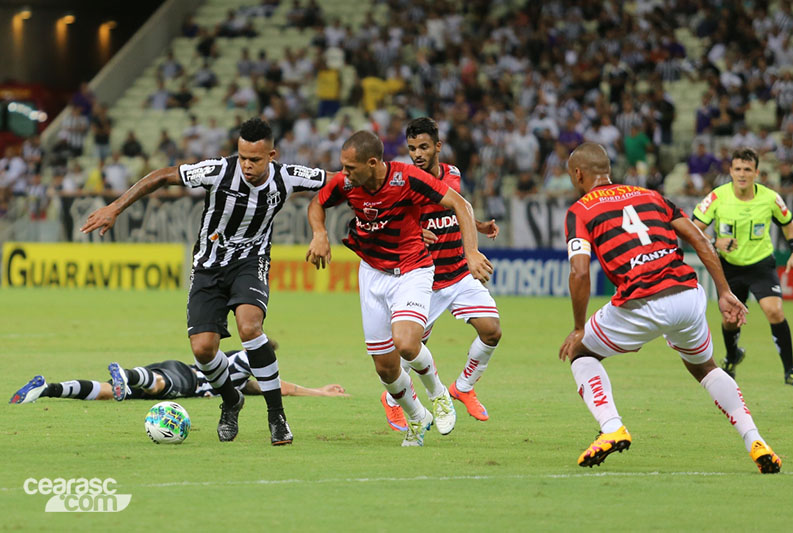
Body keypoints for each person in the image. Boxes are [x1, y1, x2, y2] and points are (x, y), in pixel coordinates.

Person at [81, 117, 330, 446]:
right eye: (242, 157)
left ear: (272, 155)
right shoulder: (219, 171)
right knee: (203, 350)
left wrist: (321, 231)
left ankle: (276, 415)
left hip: (251, 262)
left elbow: (341, 183)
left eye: (255, 159)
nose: (246, 165)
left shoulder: (290, 176)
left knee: (250, 327)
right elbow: (163, 176)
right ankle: (231, 400)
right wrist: (115, 207)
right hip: (208, 268)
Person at [560, 142, 781, 474]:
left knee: (582, 354)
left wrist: (579, 328)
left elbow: (579, 271)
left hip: (642, 301)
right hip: (688, 296)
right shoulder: (650, 195)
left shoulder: (581, 210)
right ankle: (754, 439)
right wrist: (723, 291)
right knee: (705, 367)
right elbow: (700, 240)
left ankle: (611, 427)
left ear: (578, 174)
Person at [306, 130, 493, 446]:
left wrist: (471, 250)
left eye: (350, 168)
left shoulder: (406, 179)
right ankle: (418, 418)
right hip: (372, 273)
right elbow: (317, 203)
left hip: (413, 270)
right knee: (386, 368)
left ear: (373, 162)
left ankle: (438, 394)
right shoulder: (347, 183)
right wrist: (319, 233)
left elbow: (460, 204)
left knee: (407, 344)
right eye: (343, 167)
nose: (344, 174)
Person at [379, 118, 501, 432]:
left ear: (437, 147)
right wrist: (414, 231)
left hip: (458, 274)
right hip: (424, 279)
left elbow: (460, 206)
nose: (417, 154)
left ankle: (464, 387)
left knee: (491, 331)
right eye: (412, 149)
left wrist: (477, 226)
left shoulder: (453, 174)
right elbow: (387, 224)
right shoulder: (405, 183)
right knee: (409, 351)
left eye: (423, 147)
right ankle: (392, 401)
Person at [691, 148, 793, 385]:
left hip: (761, 265)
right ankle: (732, 357)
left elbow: (788, 223)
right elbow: (693, 227)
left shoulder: (770, 198)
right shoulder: (717, 197)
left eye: (747, 169)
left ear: (756, 173)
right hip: (729, 267)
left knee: (775, 311)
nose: (742, 174)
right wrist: (714, 241)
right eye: (738, 169)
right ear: (730, 171)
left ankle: (790, 370)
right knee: (730, 319)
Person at [10, 342, 349, 403]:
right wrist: (318, 392)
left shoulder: (241, 376)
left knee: (106, 393)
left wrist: (318, 390)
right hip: (187, 380)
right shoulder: (241, 363)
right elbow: (279, 387)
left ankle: (48, 388)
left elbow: (274, 387)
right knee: (161, 386)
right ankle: (127, 375)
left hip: (177, 368)